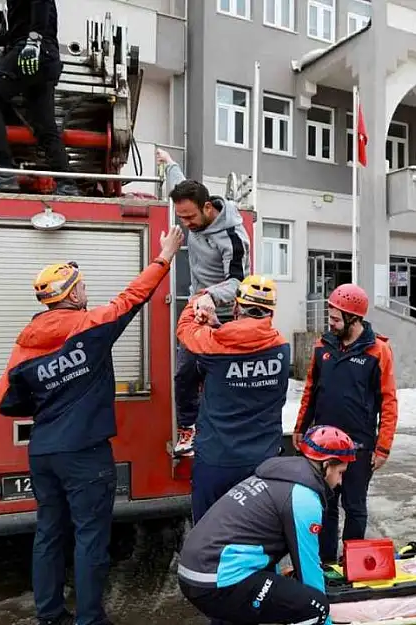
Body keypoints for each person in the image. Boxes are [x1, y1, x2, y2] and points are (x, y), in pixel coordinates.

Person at [0, 225, 184, 625]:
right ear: (73, 294)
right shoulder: (91, 328)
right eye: (82, 286)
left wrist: (47, 396)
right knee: (90, 536)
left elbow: (4, 402)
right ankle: (90, 619)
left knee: (48, 534)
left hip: (43, 450)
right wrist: (164, 256)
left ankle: (50, 616)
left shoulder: (24, 342)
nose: (86, 292)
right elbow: (133, 297)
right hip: (85, 452)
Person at [177, 426, 358, 625]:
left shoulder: (275, 477)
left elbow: (262, 547)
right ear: (327, 465)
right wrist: (324, 615)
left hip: (195, 574)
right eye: (340, 472)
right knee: (314, 607)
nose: (340, 481)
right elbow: (309, 569)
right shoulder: (304, 497)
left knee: (268, 600)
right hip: (218, 580)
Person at [155, 149, 252, 457]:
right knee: (184, 374)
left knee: (219, 381)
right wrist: (170, 164)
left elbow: (239, 283)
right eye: (180, 217)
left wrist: (211, 295)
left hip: (223, 316)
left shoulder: (233, 236)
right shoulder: (192, 205)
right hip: (197, 309)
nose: (185, 224)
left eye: (189, 217)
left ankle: (224, 433)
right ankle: (189, 430)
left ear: (208, 207)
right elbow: (181, 181)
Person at [293, 283, 398, 564]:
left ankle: (352, 564)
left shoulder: (379, 351)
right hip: (323, 445)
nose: (331, 322)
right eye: (331, 316)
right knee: (325, 506)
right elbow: (311, 389)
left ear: (354, 318)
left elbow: (389, 402)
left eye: (336, 318)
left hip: (359, 446)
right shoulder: (322, 346)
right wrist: (300, 428)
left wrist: (383, 447)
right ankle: (326, 561)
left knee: (354, 506)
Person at [176, 275, 290, 524]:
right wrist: (219, 327)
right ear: (271, 312)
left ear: (237, 308)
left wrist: (203, 296)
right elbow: (245, 352)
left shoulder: (213, 345)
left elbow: (184, 328)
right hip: (263, 463)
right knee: (256, 534)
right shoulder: (282, 348)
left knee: (209, 535)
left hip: (217, 461)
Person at [0, 0, 77, 195]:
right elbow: (16, 32)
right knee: (45, 127)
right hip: (47, 58)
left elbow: (39, 5)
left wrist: (33, 42)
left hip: (30, 50)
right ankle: (67, 184)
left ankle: (3, 169)